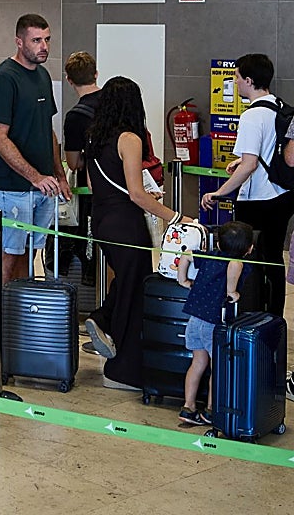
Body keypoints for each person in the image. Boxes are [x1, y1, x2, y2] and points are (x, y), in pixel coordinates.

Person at [85, 76, 191, 390]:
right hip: (126, 224)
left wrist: (141, 195)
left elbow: (95, 184)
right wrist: (176, 217)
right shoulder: (130, 138)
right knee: (136, 290)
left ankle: (103, 318)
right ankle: (123, 370)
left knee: (128, 281)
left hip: (102, 219)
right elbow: (135, 194)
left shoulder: (94, 137)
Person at [201, 54, 293, 317]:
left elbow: (250, 165)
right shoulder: (280, 106)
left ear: (249, 80)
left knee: (248, 260)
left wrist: (219, 192)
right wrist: (240, 161)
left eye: (238, 77)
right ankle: (273, 316)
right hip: (283, 194)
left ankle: (250, 313)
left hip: (258, 200)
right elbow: (268, 151)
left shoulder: (251, 116)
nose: (236, 82)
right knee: (273, 259)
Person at [0, 13, 71, 283]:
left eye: (47, 39)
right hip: (12, 189)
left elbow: (48, 131)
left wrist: (59, 175)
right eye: (36, 40)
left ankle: (19, 309)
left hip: (43, 188)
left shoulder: (43, 76)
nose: (44, 46)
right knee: (7, 259)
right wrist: (35, 177)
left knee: (29, 255)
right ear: (19, 42)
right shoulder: (4, 79)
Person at [176, 220, 254, 425]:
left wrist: (182, 280)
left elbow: (187, 254)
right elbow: (235, 264)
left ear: (218, 244)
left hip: (194, 319)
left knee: (197, 364)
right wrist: (231, 291)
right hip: (214, 323)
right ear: (249, 248)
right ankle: (211, 410)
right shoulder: (238, 263)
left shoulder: (209, 256)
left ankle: (188, 407)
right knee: (217, 367)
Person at [58, 51, 101, 282]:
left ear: (69, 80)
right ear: (96, 74)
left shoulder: (75, 117)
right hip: (124, 189)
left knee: (91, 244)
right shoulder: (116, 104)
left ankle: (92, 282)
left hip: (91, 193)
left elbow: (73, 163)